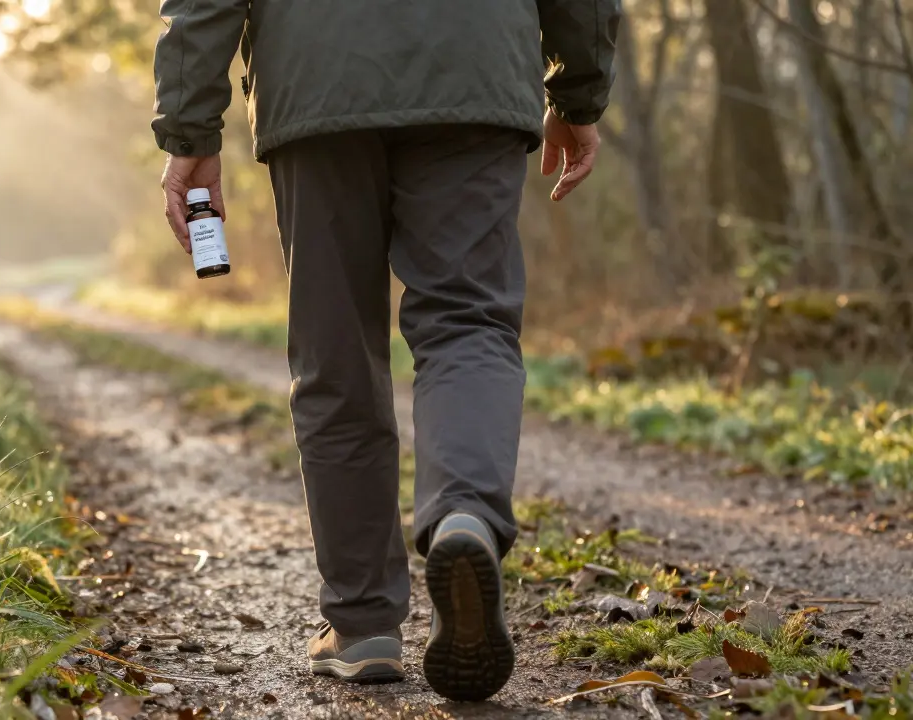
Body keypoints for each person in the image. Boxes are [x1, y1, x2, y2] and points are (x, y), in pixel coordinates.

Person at [152, 0, 619, 702]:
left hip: (318, 77)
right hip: (474, 69)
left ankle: (363, 622)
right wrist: (577, 88)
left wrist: (190, 125)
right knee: (468, 321)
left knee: (334, 347)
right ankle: (464, 514)